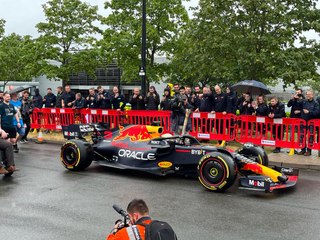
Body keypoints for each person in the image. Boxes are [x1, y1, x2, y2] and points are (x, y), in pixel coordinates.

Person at [106, 199, 176, 240]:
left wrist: (115, 230)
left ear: (135, 216)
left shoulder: (127, 232)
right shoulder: (159, 227)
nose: (129, 220)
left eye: (130, 217)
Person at [297, 90, 319, 156]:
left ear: (312, 95)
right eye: (307, 94)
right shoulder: (303, 102)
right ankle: (303, 150)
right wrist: (296, 97)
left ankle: (309, 151)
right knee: (302, 136)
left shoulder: (316, 103)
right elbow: (296, 105)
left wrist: (309, 112)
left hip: (311, 123)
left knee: (311, 136)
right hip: (303, 122)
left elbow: (317, 112)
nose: (308, 95)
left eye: (309, 94)